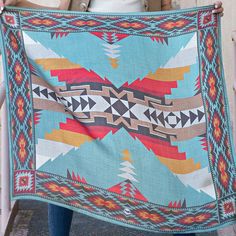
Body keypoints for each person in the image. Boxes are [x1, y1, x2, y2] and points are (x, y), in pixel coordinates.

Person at [0, 0, 224, 235]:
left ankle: (183, 225)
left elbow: (169, 12)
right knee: (63, 153)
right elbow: (59, 14)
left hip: (140, 63)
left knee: (165, 152)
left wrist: (204, 16)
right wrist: (20, 3)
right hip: (87, 63)